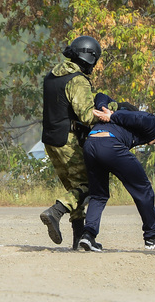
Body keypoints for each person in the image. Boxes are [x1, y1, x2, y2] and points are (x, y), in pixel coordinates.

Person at [40, 35, 115, 249]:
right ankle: (56, 211)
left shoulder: (52, 75)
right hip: (68, 141)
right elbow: (86, 114)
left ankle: (78, 238)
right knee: (89, 185)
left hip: (51, 140)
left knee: (74, 187)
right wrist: (112, 111)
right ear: (89, 58)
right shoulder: (77, 79)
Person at [77, 98, 155, 252]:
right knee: (143, 189)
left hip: (91, 144)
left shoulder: (128, 124)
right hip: (110, 145)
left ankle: (88, 235)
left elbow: (101, 95)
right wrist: (112, 116)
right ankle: (152, 235)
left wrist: (103, 107)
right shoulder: (154, 123)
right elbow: (138, 117)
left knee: (99, 195)